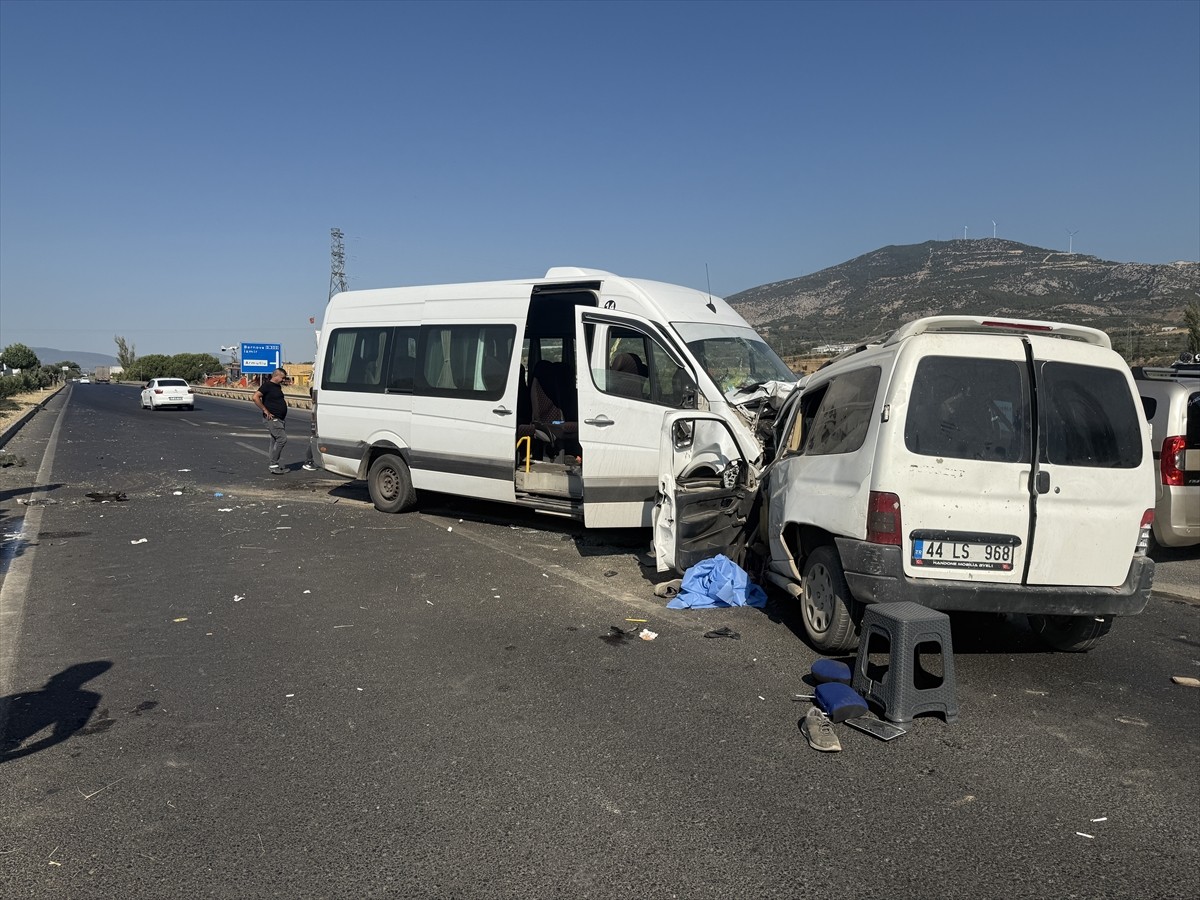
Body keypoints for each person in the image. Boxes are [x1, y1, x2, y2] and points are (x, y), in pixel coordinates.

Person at [253, 367, 290, 474]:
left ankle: (274, 464)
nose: (283, 380)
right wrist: (265, 410)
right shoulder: (267, 386)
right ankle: (274, 464)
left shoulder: (277, 386)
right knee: (282, 439)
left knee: (274, 441)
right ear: (276, 376)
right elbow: (255, 397)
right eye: (282, 378)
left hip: (279, 419)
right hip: (273, 419)